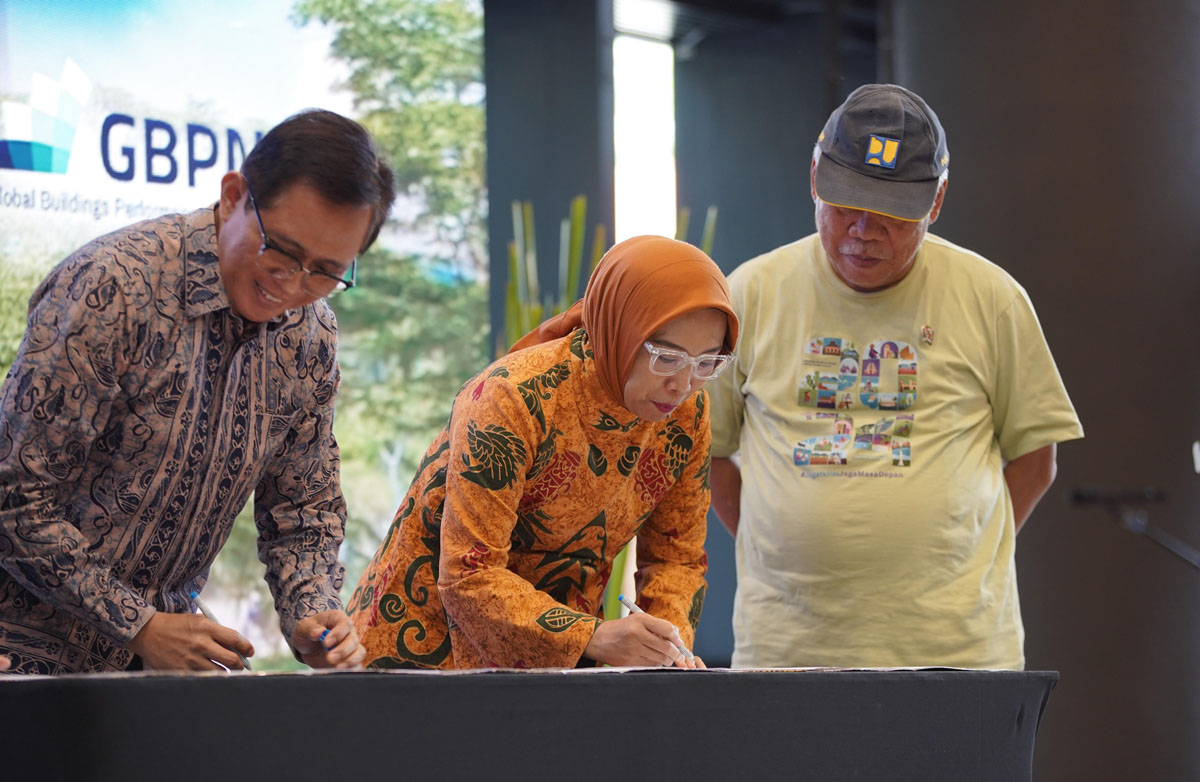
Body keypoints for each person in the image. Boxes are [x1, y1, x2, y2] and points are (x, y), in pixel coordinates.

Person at [0, 109, 396, 673]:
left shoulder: (310, 338)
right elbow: (15, 497)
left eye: (325, 272)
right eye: (281, 251)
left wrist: (314, 613)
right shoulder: (114, 288)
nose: (293, 284)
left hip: (165, 654)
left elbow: (302, 508)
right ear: (234, 196)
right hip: (20, 642)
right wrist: (139, 626)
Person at [708, 84, 1083, 670]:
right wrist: (777, 542)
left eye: (891, 214)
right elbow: (706, 454)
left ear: (936, 203)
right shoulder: (747, 295)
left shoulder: (994, 299)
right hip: (788, 650)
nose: (863, 229)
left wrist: (956, 554)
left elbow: (1036, 459)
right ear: (813, 178)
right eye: (846, 203)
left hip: (958, 654)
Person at [350, 235, 737, 669]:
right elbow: (468, 574)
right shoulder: (514, 397)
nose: (683, 384)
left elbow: (676, 557)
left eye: (708, 363)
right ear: (620, 332)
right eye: (667, 357)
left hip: (561, 652)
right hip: (424, 644)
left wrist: (668, 648)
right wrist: (591, 636)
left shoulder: (685, 415)